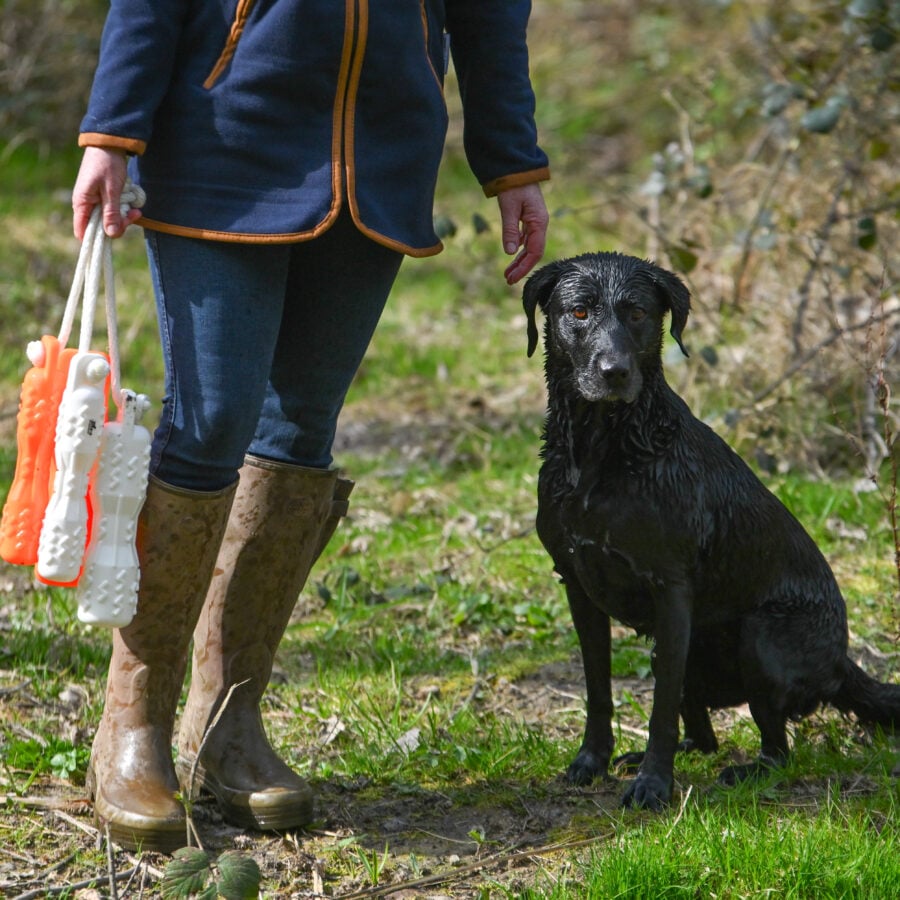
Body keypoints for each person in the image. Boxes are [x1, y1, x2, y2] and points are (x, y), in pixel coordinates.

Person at [72, 0, 550, 853]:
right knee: (210, 423)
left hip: (382, 157)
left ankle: (227, 725)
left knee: (299, 439)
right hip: (223, 139)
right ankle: (132, 724)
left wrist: (512, 162)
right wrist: (112, 128)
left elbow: (488, 12)